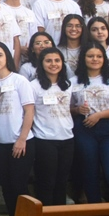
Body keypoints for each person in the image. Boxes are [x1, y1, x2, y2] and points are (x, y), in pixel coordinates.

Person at [0, 41, 35, 216]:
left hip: (20, 142)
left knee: (19, 186)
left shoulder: (19, 80)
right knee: (6, 187)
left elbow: (29, 111)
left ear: (7, 56)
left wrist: (22, 139)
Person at [29, 47, 74, 206]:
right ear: (41, 63)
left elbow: (69, 108)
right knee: (46, 182)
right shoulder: (34, 86)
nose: (53, 64)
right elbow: (29, 112)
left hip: (67, 138)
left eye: (57, 60)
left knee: (62, 181)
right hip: (45, 139)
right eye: (48, 61)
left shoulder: (68, 84)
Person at [71, 42, 109, 204]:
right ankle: (95, 208)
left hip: (108, 129)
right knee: (89, 171)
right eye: (90, 56)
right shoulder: (73, 81)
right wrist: (77, 110)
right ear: (83, 58)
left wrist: (100, 115)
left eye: (99, 56)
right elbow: (65, 108)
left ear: (104, 59)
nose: (95, 59)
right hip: (84, 129)